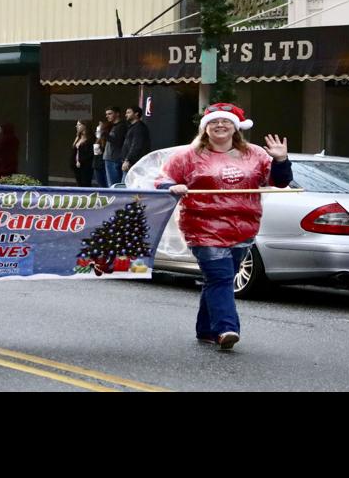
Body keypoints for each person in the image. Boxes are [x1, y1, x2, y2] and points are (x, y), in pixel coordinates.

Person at [155, 102, 293, 351]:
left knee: (217, 279)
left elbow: (280, 182)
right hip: (202, 226)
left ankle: (205, 329)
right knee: (221, 277)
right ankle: (226, 329)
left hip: (244, 226)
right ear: (205, 128)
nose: (220, 125)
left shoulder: (255, 154)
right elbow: (163, 180)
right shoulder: (187, 155)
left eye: (226, 121)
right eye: (214, 122)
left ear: (235, 127)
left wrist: (281, 160)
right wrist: (171, 186)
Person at [120, 105, 151, 177]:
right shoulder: (133, 127)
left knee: (127, 185)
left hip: (134, 163)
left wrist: (128, 160)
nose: (126, 115)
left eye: (128, 112)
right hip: (131, 162)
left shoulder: (139, 128)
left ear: (136, 114)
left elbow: (136, 145)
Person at [103, 107, 127, 186]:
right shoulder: (113, 126)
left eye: (110, 114)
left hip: (115, 158)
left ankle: (116, 198)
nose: (107, 116)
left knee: (114, 184)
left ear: (117, 114)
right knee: (112, 183)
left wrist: (104, 134)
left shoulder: (121, 126)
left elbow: (117, 141)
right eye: (106, 114)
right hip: (110, 157)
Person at [71, 120, 94, 186]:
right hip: (76, 165)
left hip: (86, 165)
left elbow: (90, 153)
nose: (77, 126)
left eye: (79, 125)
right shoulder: (78, 137)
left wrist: (81, 161)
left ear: (85, 126)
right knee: (79, 182)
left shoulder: (91, 138)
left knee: (85, 182)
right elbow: (75, 151)